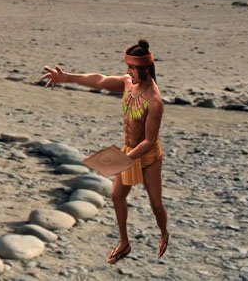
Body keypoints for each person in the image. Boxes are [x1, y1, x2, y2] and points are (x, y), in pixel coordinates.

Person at [42, 40, 169, 264]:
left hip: (147, 155)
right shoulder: (128, 83)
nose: (129, 72)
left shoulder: (154, 100)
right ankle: (124, 242)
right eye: (128, 67)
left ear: (145, 69)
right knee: (117, 196)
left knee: (155, 202)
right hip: (129, 149)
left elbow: (149, 141)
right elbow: (100, 80)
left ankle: (164, 233)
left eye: (133, 68)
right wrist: (68, 77)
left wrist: (121, 160)